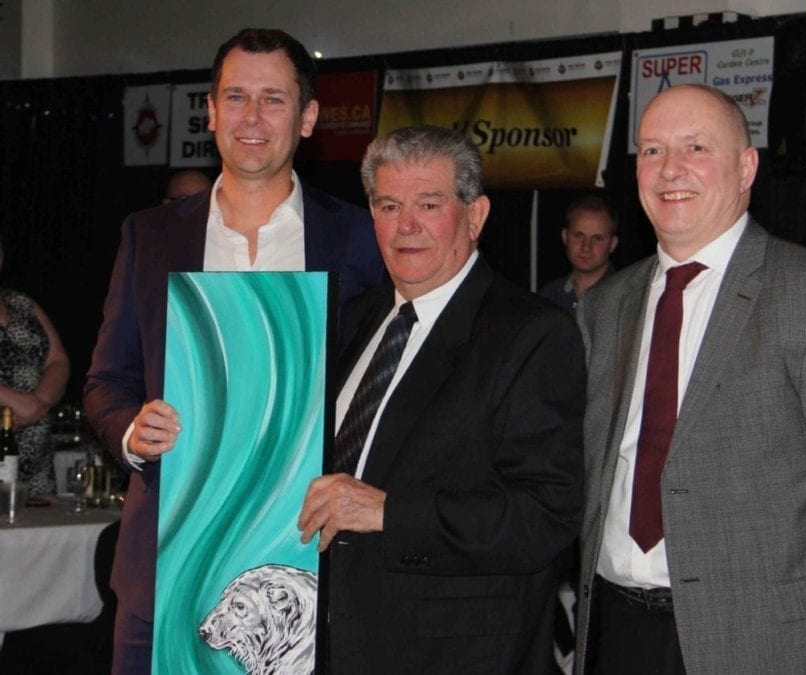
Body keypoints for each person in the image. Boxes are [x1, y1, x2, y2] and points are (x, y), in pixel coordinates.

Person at [574, 84, 806, 674]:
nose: (671, 169)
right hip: (615, 628)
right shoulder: (606, 305)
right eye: (653, 150)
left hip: (768, 645)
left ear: (746, 167)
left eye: (696, 147)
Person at [84, 28, 385, 673]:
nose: (252, 118)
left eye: (273, 99)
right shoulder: (150, 236)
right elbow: (106, 382)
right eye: (236, 97)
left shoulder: (361, 239)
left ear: (307, 118)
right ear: (212, 111)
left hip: (310, 565)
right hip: (165, 567)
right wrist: (133, 431)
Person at [297, 125, 585, 673]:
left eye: (429, 204)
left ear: (475, 217)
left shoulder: (531, 333)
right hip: (330, 645)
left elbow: (545, 516)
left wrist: (389, 512)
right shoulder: (353, 318)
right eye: (388, 205)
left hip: (455, 654)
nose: (406, 225)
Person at [0, 234, 70, 495]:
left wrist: (38, 403)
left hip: (35, 456)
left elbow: (58, 361)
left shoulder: (22, 304)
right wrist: (19, 402)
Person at [539, 195, 619, 313]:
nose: (586, 247)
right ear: (565, 237)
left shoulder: (625, 297)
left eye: (597, 238)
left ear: (612, 244)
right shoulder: (550, 295)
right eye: (578, 236)